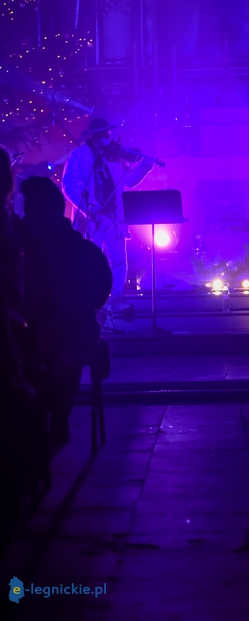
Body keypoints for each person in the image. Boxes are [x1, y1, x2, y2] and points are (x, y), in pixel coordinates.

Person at [18, 176, 112, 445]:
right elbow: (102, 290)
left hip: (36, 340)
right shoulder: (86, 252)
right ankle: (58, 419)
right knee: (71, 341)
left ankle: (34, 422)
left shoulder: (19, 250)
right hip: (76, 336)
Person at [62, 118, 154, 312]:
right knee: (90, 259)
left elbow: (129, 181)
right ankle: (93, 300)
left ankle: (117, 299)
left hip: (114, 216)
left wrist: (144, 166)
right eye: (103, 134)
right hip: (91, 218)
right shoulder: (79, 155)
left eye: (108, 134)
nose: (107, 138)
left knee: (118, 259)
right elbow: (68, 185)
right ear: (94, 136)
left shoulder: (115, 155)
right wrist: (86, 206)